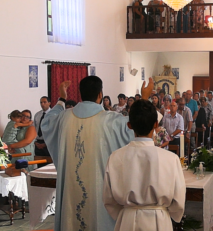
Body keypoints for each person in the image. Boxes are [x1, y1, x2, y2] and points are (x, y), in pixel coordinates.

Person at [41, 76, 152, 231]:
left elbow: (47, 122)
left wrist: (61, 99)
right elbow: (139, 126)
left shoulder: (64, 118)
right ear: (100, 94)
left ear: (81, 94)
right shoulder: (112, 121)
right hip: (100, 196)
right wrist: (145, 98)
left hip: (70, 197)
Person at [103, 99, 186, 231]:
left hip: (127, 221)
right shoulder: (171, 159)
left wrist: (127, 213)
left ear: (129, 125)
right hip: (159, 220)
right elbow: (178, 201)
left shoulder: (115, 157)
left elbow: (109, 199)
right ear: (156, 124)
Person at [34, 96, 51, 166]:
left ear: (49, 103)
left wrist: (46, 144)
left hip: (48, 142)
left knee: (49, 164)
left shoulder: (53, 115)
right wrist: (35, 142)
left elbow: (54, 131)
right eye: (41, 102)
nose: (42, 104)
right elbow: (34, 128)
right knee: (39, 164)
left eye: (44, 102)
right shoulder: (37, 115)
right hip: (38, 142)